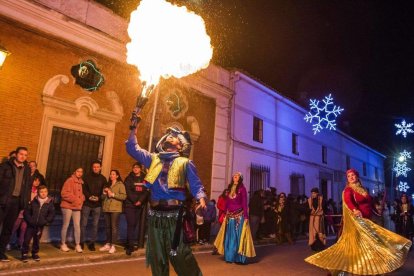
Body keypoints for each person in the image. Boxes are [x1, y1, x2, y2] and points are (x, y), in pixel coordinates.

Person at [126, 125, 207, 276]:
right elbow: (132, 148)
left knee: (180, 255)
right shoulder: (153, 159)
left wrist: (201, 198)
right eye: (168, 135)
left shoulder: (185, 163)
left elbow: (196, 185)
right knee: (158, 257)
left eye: (174, 136)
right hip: (155, 216)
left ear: (181, 144)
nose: (170, 136)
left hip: (175, 217)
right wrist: (134, 129)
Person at [305, 169, 412, 275]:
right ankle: (344, 267)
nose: (351, 177)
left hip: (367, 219)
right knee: (369, 240)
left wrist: (378, 211)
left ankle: (368, 265)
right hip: (358, 220)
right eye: (348, 176)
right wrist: (355, 210)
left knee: (367, 243)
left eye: (353, 175)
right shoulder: (348, 190)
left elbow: (370, 203)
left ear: (357, 177)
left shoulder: (363, 189)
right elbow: (348, 201)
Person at [214, 172, 255, 264]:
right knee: (230, 237)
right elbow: (227, 203)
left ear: (240, 178)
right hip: (230, 216)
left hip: (239, 216)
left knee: (238, 237)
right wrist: (225, 213)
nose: (234, 177)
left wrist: (246, 216)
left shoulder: (242, 189)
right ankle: (229, 257)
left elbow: (244, 203)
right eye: (234, 176)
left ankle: (239, 258)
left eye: (237, 176)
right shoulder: (229, 189)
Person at [0, 147, 32, 262]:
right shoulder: (6, 166)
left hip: (16, 203)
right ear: (16, 155)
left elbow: (28, 187)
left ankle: (1, 252)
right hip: (3, 201)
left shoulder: (27, 169)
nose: (23, 156)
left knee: (8, 228)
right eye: (21, 154)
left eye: (25, 155)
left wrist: (25, 202)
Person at [21, 185, 55, 262]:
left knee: (36, 240)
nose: (44, 193)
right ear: (38, 193)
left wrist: (45, 221)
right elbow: (26, 212)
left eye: (45, 191)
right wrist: (30, 220)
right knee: (26, 239)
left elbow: (52, 214)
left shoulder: (49, 203)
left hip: (40, 226)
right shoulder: (33, 202)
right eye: (41, 192)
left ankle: (34, 253)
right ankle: (24, 254)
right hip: (30, 225)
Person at [8, 175, 41, 251]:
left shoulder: (37, 191)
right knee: (14, 227)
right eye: (35, 180)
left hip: (29, 213)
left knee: (24, 228)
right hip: (21, 211)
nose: (37, 182)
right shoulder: (26, 189)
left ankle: (20, 244)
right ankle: (7, 242)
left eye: (38, 181)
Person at [80, 160, 107, 251]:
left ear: (100, 168)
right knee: (83, 224)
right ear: (92, 167)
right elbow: (83, 189)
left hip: (97, 204)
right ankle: (81, 242)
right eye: (94, 167)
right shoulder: (86, 177)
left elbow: (105, 190)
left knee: (95, 225)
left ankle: (92, 243)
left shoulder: (103, 179)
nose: (96, 168)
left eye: (97, 167)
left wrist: (99, 198)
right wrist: (89, 196)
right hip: (87, 203)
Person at [124, 162, 149, 255]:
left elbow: (146, 191)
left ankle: (128, 243)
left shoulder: (145, 178)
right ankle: (130, 246)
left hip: (139, 205)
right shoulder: (128, 178)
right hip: (130, 204)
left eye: (137, 167)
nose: (135, 169)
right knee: (131, 224)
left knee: (134, 225)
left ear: (140, 169)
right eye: (134, 167)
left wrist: (140, 201)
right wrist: (135, 201)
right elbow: (128, 191)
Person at [100, 169, 126, 254]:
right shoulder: (107, 184)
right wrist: (104, 193)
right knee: (108, 227)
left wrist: (113, 195)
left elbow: (124, 196)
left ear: (117, 176)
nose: (111, 175)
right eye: (111, 174)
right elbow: (102, 198)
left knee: (114, 227)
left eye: (114, 174)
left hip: (116, 209)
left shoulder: (120, 184)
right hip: (107, 208)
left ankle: (113, 245)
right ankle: (108, 244)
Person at [60, 167, 85, 253]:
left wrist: (82, 198)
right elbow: (64, 193)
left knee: (77, 226)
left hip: (76, 206)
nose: (79, 173)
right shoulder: (69, 180)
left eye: (81, 172)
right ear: (74, 172)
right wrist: (76, 199)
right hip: (67, 206)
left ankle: (77, 244)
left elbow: (80, 194)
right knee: (65, 225)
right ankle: (63, 244)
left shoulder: (80, 182)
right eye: (78, 171)